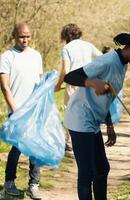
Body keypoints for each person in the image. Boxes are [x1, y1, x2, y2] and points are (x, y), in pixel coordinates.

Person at [63, 31, 130, 200]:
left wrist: (109, 125)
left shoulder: (123, 64)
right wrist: (92, 82)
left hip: (93, 120)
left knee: (102, 169)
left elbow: (109, 97)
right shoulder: (108, 61)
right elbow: (70, 76)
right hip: (80, 117)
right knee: (87, 172)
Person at [0, 23, 43, 199]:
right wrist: (15, 111)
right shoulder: (7, 57)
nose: (25, 40)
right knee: (17, 147)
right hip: (17, 110)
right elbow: (5, 87)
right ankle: (8, 185)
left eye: (27, 36)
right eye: (21, 37)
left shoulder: (36, 56)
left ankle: (34, 185)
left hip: (34, 109)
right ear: (14, 37)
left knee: (35, 147)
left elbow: (39, 84)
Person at [55, 23, 102, 152]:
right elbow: (102, 59)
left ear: (65, 35)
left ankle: (70, 143)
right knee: (88, 111)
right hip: (89, 84)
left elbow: (66, 70)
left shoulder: (67, 48)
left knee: (70, 112)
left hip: (73, 84)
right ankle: (89, 139)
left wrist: (58, 85)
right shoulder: (88, 45)